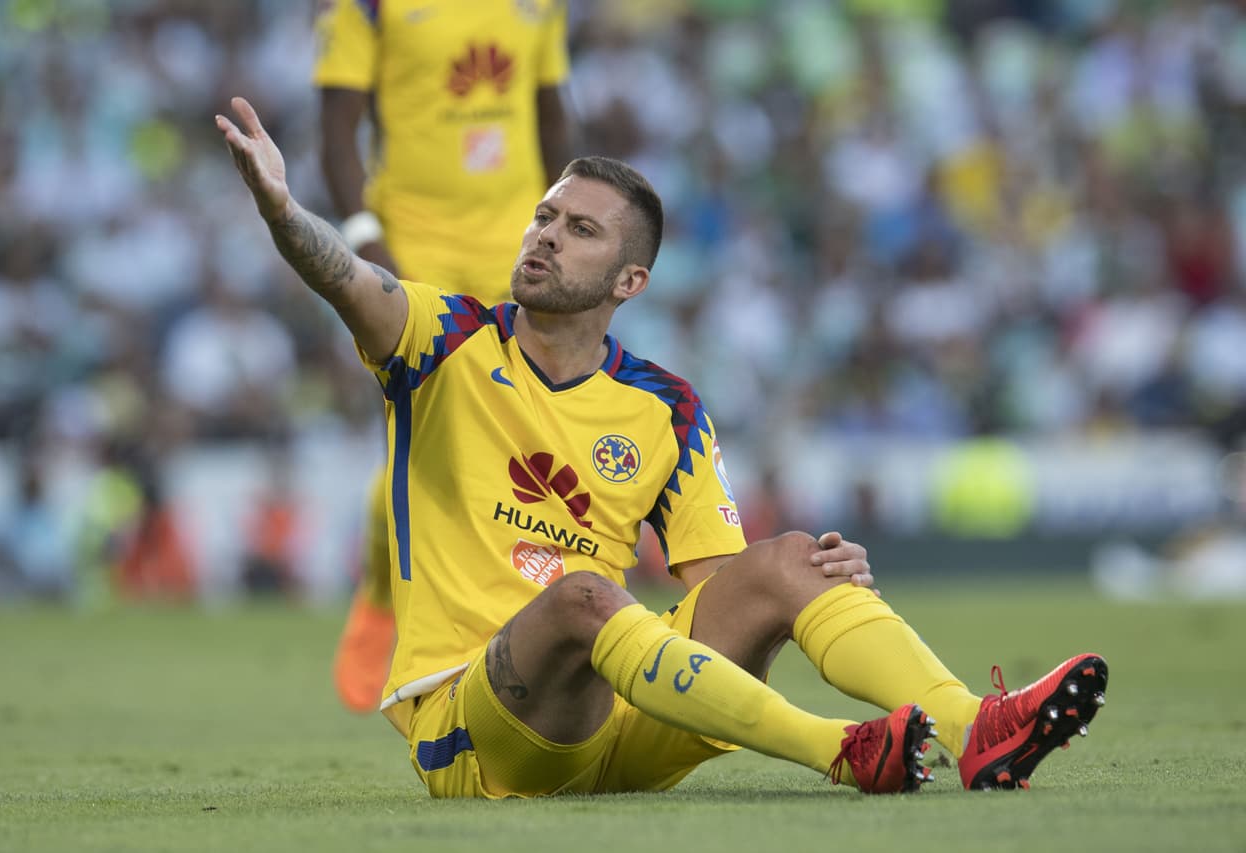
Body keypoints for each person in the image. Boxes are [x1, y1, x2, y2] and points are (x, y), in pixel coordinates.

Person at [215, 96, 1109, 796]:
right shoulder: (441, 339)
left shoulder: (666, 408)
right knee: (582, 598)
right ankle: (838, 749)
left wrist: (806, 585)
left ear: (629, 280)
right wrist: (284, 209)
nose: (545, 237)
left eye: (580, 230)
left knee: (796, 557)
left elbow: (717, 592)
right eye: (545, 216)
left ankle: (970, 725)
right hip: (476, 727)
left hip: (623, 720)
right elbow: (344, 277)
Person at [312, 0, 575, 712]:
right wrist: (365, 237)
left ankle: (528, 614)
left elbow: (550, 112)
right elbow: (338, 128)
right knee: (424, 436)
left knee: (531, 434)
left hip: (519, 246)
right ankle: (379, 592)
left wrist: (573, 226)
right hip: (414, 245)